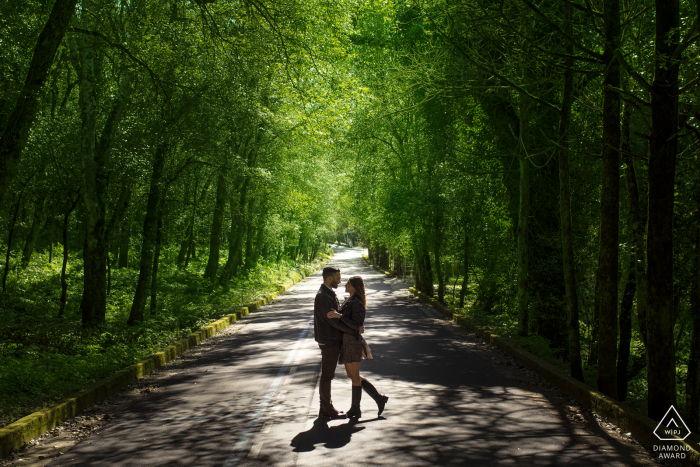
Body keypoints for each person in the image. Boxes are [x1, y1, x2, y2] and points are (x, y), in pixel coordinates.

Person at [328, 276, 388, 419]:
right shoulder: (349, 300)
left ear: (354, 286)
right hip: (346, 341)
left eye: (348, 283)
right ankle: (379, 398)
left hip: (352, 342)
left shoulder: (357, 303)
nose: (345, 285)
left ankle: (356, 409)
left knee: (354, 376)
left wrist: (339, 316)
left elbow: (356, 325)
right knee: (352, 375)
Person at [313, 266, 361, 420]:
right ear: (329, 278)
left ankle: (325, 408)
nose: (340, 281)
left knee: (334, 374)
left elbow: (337, 316)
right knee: (327, 375)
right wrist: (352, 330)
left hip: (332, 339)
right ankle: (326, 408)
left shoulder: (328, 293)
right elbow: (333, 321)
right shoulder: (323, 296)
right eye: (338, 278)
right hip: (329, 340)